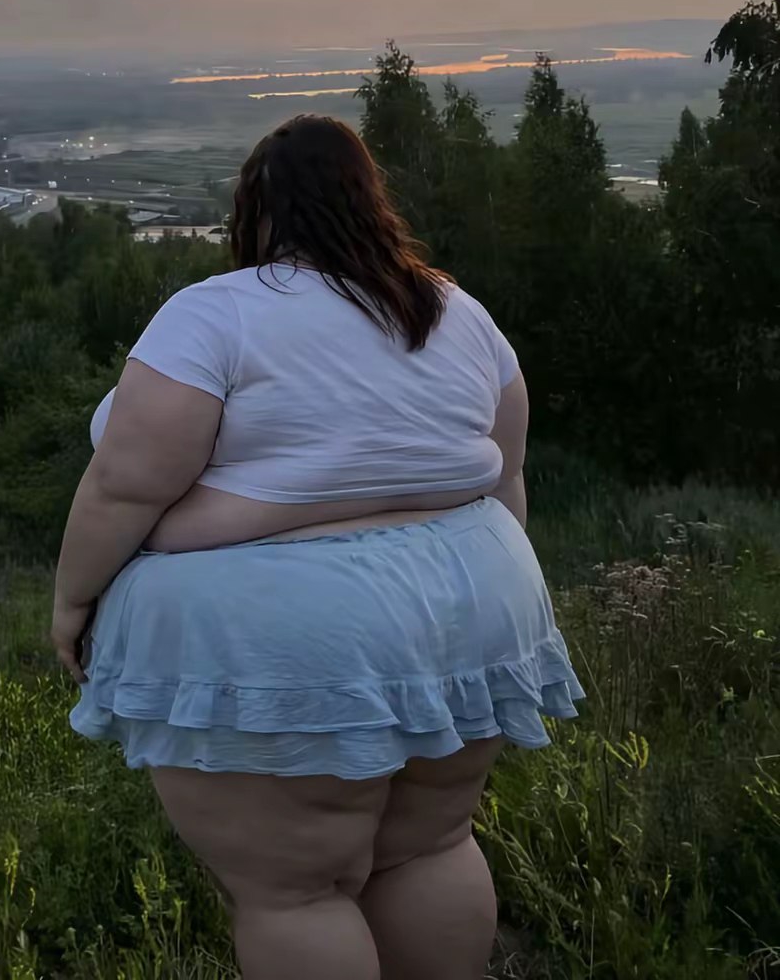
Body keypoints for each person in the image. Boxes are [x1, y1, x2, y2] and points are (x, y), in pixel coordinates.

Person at [52, 115, 583, 980]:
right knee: (431, 845)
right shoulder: (453, 308)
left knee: (294, 890)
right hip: (475, 601)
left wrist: (74, 600)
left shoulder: (215, 314)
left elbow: (126, 485)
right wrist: (470, 610)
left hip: (288, 634)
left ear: (257, 213)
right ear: (370, 200)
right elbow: (506, 471)